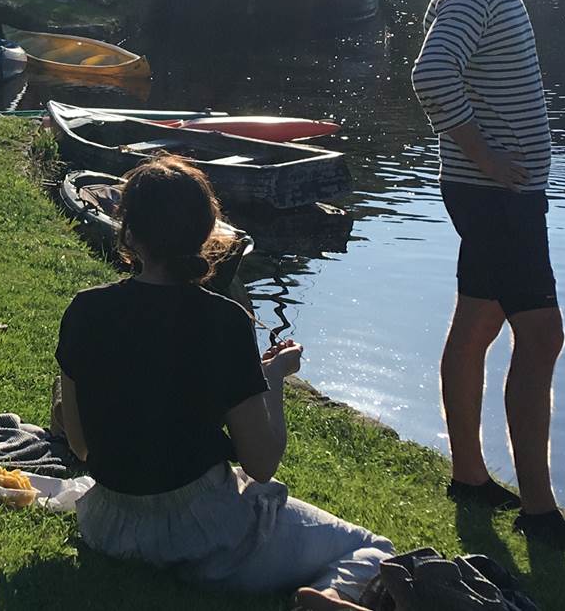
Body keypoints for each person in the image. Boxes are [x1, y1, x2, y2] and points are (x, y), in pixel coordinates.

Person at [56, 157, 394, 609]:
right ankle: (331, 595)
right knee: (372, 549)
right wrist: (273, 376)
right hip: (206, 534)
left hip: (107, 524)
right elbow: (261, 463)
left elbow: (80, 447)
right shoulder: (224, 320)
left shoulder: (85, 309)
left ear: (129, 233)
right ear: (205, 233)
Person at [410, 0, 565, 556]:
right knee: (542, 336)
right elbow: (431, 74)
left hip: (495, 195)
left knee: (477, 325)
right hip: (497, 199)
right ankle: (539, 512)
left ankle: (468, 477)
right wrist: (487, 157)